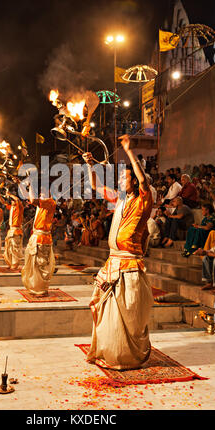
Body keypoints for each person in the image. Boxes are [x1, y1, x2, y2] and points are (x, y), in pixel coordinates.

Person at [82, 134, 154, 371]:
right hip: (112, 264)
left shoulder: (143, 200)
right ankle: (112, 351)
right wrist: (90, 164)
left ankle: (128, 355)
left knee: (129, 317)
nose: (121, 180)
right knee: (105, 311)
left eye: (125, 177)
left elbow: (143, 181)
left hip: (129, 266)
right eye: (121, 177)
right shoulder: (119, 199)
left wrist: (129, 151)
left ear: (135, 180)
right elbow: (95, 185)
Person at [21, 179, 56, 296]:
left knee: (41, 265)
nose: (40, 194)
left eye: (41, 192)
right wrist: (22, 185)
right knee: (34, 265)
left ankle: (41, 289)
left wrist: (30, 185)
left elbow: (32, 200)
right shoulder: (43, 204)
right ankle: (36, 288)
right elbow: (29, 198)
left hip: (42, 239)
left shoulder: (50, 202)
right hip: (37, 237)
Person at [0, 188, 24, 270]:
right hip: (11, 230)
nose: (11, 201)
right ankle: (10, 263)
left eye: (12, 200)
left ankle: (15, 264)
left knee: (15, 249)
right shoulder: (12, 207)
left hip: (16, 230)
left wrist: (10, 194)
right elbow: (3, 202)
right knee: (9, 248)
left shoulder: (19, 206)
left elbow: (18, 199)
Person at [194, 224, 215, 294]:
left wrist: (206, 253)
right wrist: (203, 251)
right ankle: (209, 282)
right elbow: (213, 250)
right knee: (206, 258)